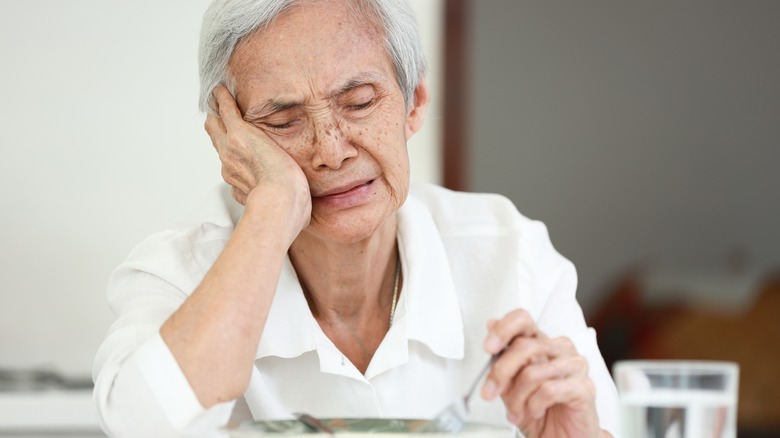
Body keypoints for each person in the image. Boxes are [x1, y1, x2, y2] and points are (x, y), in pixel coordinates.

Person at [92, 0, 619, 436]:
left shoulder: (511, 252)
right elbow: (140, 425)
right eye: (282, 120)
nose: (330, 150)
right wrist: (273, 208)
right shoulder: (176, 274)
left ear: (414, 102)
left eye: (360, 103)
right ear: (231, 141)